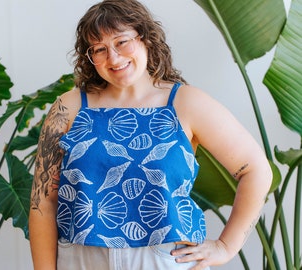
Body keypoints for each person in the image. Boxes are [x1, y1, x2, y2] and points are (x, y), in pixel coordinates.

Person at [29, 0, 272, 269]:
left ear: (145, 37)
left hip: (163, 259)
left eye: (122, 42)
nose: (114, 57)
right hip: (81, 258)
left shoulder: (186, 103)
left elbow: (257, 170)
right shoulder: (68, 107)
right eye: (99, 49)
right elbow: (43, 202)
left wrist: (226, 246)